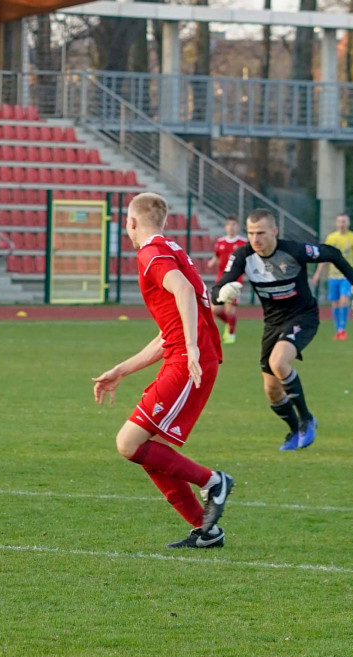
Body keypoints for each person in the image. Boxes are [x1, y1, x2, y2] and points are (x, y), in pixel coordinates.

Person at [92, 193, 233, 549]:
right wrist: (122, 369)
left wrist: (190, 348)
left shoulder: (150, 253)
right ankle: (206, 530)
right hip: (189, 357)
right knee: (148, 448)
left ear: (132, 222)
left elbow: (184, 292)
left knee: (127, 442)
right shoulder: (171, 250)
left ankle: (213, 482)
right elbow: (167, 333)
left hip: (190, 363)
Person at [212, 209, 353, 450]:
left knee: (279, 362)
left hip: (302, 316)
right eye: (251, 233)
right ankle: (295, 430)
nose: (255, 239)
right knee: (272, 391)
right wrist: (222, 294)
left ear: (274, 231)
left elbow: (333, 254)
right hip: (273, 323)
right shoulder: (242, 256)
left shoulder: (294, 250)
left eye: (261, 233)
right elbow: (217, 289)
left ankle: (307, 419)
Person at [312, 213, 353, 340]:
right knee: (335, 303)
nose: (342, 224)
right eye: (340, 221)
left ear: (348, 223)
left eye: (344, 221)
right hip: (333, 276)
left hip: (346, 276)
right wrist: (317, 273)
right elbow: (324, 257)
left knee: (344, 300)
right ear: (337, 223)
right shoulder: (331, 238)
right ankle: (338, 330)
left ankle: (342, 329)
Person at [207, 216, 247, 344]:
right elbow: (217, 257)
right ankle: (230, 324)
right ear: (225, 227)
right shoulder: (220, 242)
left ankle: (231, 334)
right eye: (229, 224)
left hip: (235, 280)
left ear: (238, 227)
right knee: (215, 310)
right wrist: (213, 262)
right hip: (221, 279)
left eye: (234, 224)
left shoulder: (243, 243)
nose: (231, 227)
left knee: (230, 309)